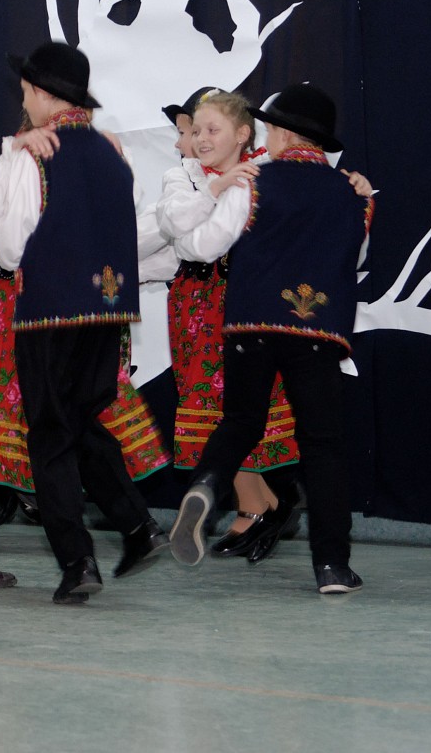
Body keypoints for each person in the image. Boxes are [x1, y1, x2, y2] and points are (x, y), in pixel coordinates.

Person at [169, 83, 375, 594]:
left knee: (241, 421)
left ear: (281, 132)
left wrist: (203, 208)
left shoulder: (253, 183)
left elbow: (202, 248)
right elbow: (355, 258)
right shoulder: (353, 195)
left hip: (251, 325)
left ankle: (206, 484)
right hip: (316, 331)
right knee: (322, 446)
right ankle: (332, 566)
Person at [0, 41, 169, 604]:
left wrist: (12, 159)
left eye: (25, 92)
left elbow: (11, 249)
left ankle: (76, 559)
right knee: (81, 420)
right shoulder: (114, 153)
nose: (23, 101)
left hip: (49, 311)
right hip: (107, 312)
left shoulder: (32, 156)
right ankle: (138, 526)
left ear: (43, 94)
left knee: (50, 434)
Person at [157, 89, 302, 563]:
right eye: (195, 130)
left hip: (244, 301)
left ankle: (261, 505)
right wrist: (217, 188)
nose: (200, 139)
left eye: (211, 129)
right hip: (195, 305)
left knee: (240, 408)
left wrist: (353, 188)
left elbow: (201, 243)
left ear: (242, 134)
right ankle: (263, 505)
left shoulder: (263, 175)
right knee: (210, 406)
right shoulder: (182, 176)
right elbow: (178, 227)